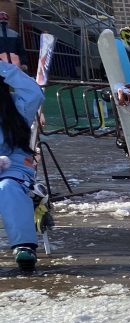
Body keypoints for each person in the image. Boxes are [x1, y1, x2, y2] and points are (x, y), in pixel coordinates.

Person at [0, 58, 43, 270]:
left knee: (7, 188)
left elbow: (35, 93)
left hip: (14, 165)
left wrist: (3, 68)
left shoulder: (16, 106)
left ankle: (24, 246)